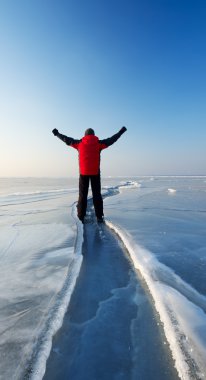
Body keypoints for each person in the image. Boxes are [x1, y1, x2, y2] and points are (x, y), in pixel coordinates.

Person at [52, 126, 127, 223]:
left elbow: (66, 140)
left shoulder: (79, 143)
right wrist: (120, 132)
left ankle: (81, 216)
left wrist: (57, 134)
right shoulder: (99, 143)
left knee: (83, 195)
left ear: (85, 135)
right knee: (97, 195)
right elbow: (111, 140)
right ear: (93, 135)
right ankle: (99, 216)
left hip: (83, 173)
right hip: (95, 172)